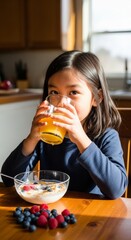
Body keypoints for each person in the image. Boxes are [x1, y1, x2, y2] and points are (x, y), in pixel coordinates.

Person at [1, 50, 128, 199]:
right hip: (53, 211)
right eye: (54, 92)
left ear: (96, 98)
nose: (61, 103)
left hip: (91, 215)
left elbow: (116, 189)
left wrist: (81, 138)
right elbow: (9, 179)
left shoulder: (106, 136)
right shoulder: (45, 136)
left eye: (73, 92)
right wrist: (31, 138)